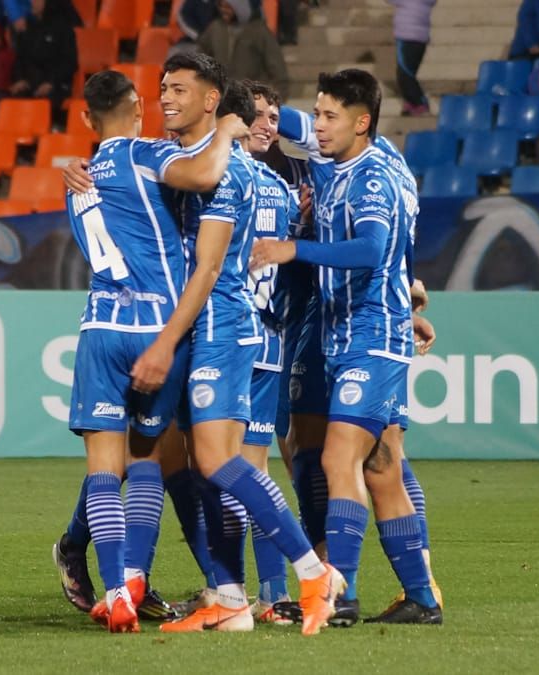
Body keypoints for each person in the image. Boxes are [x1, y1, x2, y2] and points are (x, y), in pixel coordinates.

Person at [125, 53, 342, 636]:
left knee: (220, 461)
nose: (166, 98)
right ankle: (228, 598)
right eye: (162, 88)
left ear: (211, 101)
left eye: (180, 89)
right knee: (202, 465)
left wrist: (165, 343)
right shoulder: (198, 161)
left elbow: (210, 265)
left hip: (221, 327)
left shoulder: (226, 171)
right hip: (213, 328)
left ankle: (314, 573)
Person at [51, 69, 247, 633]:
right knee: (147, 463)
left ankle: (117, 592)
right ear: (139, 106)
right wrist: (228, 132)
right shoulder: (145, 154)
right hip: (159, 328)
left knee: (102, 473)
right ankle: (163, 580)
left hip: (99, 328)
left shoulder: (79, 178)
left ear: (87, 119)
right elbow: (206, 171)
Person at [251, 69, 440, 624]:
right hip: (346, 334)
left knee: (338, 458)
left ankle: (342, 592)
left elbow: (373, 249)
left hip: (371, 336)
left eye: (329, 116)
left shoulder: (375, 177)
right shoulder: (340, 160)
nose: (319, 126)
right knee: (380, 467)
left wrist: (295, 249)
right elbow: (279, 119)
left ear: (362, 122)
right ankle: (422, 598)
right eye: (318, 113)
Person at [240, 81, 301, 622]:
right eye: (257, 114)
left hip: (246, 342)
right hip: (251, 341)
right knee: (243, 471)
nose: (267, 124)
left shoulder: (275, 187)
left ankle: (254, 591)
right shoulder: (280, 188)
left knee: (234, 470)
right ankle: (269, 592)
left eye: (274, 116)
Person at [197, 0, 290, 98]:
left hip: (252, 98)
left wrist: (276, 101)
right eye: (221, 7)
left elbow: (278, 70)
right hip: (222, 98)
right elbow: (200, 60)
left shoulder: (259, 31)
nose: (223, 10)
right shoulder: (215, 28)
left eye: (228, 7)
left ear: (239, 8)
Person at [10, 0, 80, 110]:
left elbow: (70, 62)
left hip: (56, 84)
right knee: (12, 102)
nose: (32, 3)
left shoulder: (62, 26)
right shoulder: (24, 26)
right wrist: (20, 79)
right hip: (30, 82)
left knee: (45, 103)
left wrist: (51, 82)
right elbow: (19, 59)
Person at [389, 0, 437, 116]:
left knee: (405, 74)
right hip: (420, 38)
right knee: (409, 72)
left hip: (406, 37)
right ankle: (411, 103)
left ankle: (419, 102)